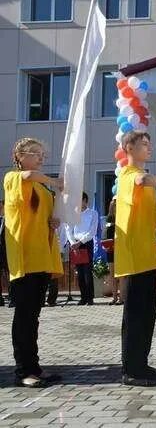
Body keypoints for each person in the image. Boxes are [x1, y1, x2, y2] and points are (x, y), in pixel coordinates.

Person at [5, 137, 64, 387]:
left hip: (42, 257)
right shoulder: (12, 178)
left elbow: (43, 215)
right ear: (19, 156)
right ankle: (23, 371)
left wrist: (53, 222)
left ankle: (34, 367)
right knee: (24, 317)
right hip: (25, 257)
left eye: (43, 154)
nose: (41, 158)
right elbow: (28, 177)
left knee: (33, 317)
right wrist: (54, 181)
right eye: (35, 153)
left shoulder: (42, 188)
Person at [114, 131, 156, 387]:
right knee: (135, 316)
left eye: (150, 144)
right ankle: (131, 370)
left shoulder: (147, 185)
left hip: (150, 258)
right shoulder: (127, 175)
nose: (149, 148)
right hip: (135, 259)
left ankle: (142, 364)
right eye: (144, 144)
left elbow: (151, 219)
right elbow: (140, 180)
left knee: (148, 316)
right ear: (129, 148)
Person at [66, 192, 99, 306]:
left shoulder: (93, 213)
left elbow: (92, 231)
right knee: (79, 272)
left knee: (87, 272)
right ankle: (83, 297)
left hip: (86, 243)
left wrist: (80, 242)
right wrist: (73, 242)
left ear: (85, 201)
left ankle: (90, 298)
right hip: (75, 244)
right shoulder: (73, 214)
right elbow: (68, 229)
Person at [104, 197, 122, 305]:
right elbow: (106, 234)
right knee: (112, 275)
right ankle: (114, 297)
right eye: (114, 205)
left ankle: (121, 298)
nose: (115, 207)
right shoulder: (109, 219)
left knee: (120, 275)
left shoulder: (123, 218)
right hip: (110, 249)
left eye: (117, 205)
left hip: (120, 249)